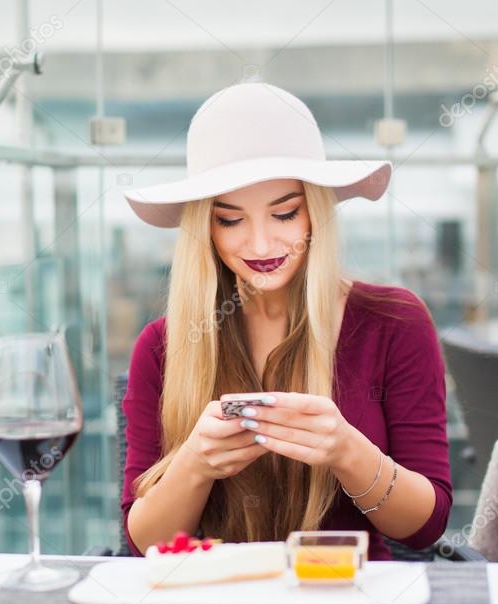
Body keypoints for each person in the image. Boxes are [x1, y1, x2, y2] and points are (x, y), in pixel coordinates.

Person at [119, 81, 451, 561]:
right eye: (230, 220)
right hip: (217, 603)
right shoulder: (161, 346)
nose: (259, 245)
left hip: (347, 600)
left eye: (285, 214)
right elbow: (144, 543)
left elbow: (426, 527)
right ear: (203, 228)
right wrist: (194, 464)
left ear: (315, 213)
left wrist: (346, 452)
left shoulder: (393, 322)